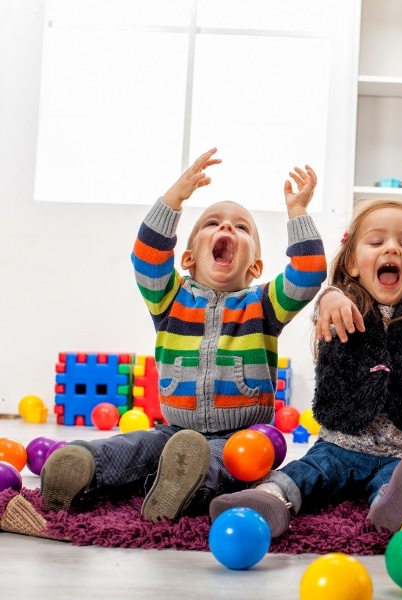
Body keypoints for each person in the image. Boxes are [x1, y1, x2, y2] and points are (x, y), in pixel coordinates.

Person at [40, 148, 327, 522]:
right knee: (136, 446)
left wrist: (298, 213)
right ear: (188, 257)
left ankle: (180, 487)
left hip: (242, 435)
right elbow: (147, 255)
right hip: (174, 430)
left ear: (255, 265)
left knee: (232, 463)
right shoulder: (169, 298)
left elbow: (309, 273)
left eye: (241, 227)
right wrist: (175, 198)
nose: (226, 228)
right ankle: (85, 466)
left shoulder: (264, 305)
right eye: (213, 223)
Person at [210, 198, 402, 538]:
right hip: (340, 445)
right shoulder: (342, 305)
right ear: (354, 263)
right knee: (308, 471)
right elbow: (325, 308)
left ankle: (390, 505)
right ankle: (268, 498)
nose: (392, 249)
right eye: (376, 242)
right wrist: (330, 297)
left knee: (399, 481)